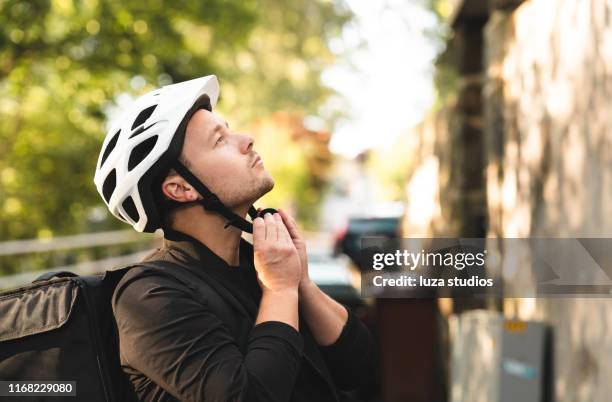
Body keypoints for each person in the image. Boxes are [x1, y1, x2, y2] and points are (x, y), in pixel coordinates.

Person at [93, 75, 376, 402]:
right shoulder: (148, 296)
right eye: (219, 140)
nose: (247, 139)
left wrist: (300, 283)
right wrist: (279, 289)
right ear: (182, 189)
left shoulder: (258, 266)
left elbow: (359, 367)